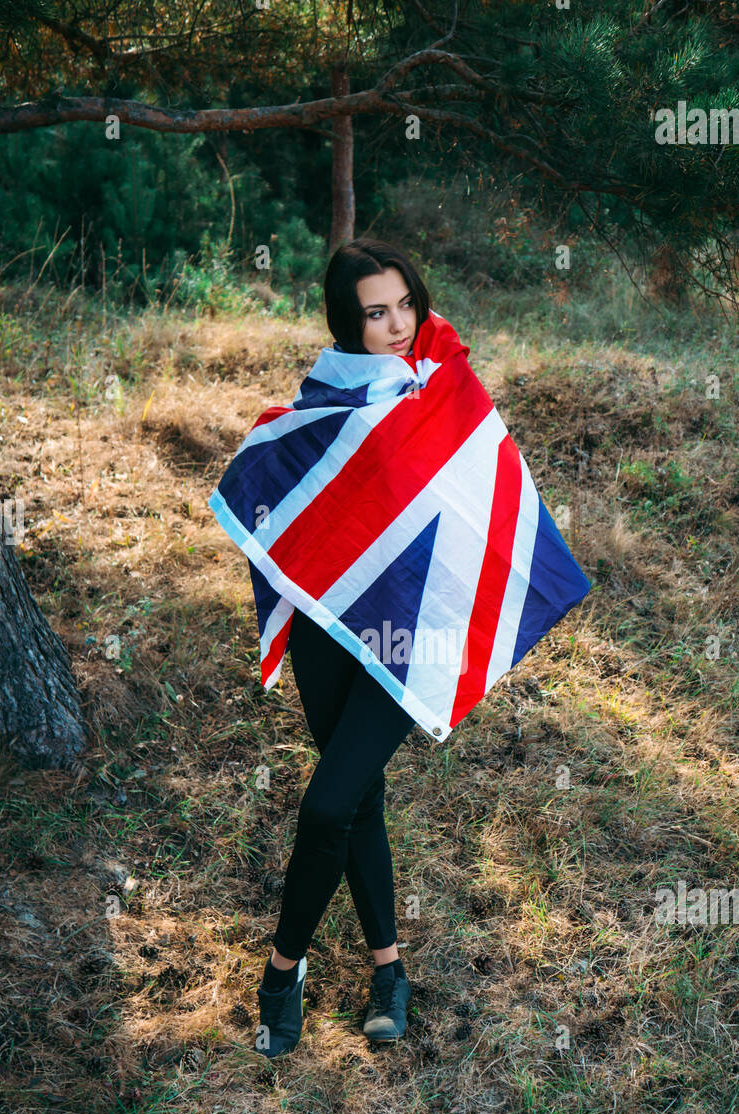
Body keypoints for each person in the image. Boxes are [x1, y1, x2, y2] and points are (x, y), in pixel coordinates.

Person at [255, 238, 430, 1059]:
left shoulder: (443, 399)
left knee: (327, 804)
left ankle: (281, 967)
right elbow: (289, 496)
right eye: (375, 312)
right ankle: (387, 970)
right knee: (356, 797)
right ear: (346, 322)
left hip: (406, 635)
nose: (396, 325)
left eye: (403, 305)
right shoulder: (321, 400)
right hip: (327, 629)